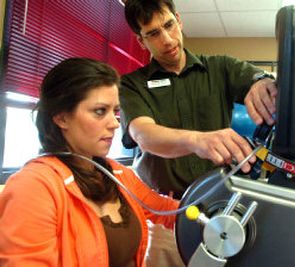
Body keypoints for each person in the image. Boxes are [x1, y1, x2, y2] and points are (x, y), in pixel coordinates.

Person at [0, 58, 179, 267]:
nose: (114, 123)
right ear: (61, 118)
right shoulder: (34, 187)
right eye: (100, 111)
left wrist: (213, 205)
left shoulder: (115, 173)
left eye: (115, 111)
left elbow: (165, 211)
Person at [120, 0, 278, 198]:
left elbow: (261, 79)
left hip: (216, 198)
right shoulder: (131, 84)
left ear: (179, 21)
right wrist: (196, 140)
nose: (167, 40)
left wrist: (262, 82)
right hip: (161, 203)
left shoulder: (220, 67)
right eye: (153, 34)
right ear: (141, 41)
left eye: (169, 25)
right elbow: (143, 135)